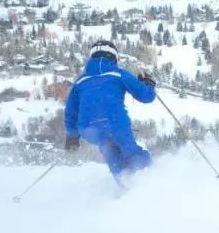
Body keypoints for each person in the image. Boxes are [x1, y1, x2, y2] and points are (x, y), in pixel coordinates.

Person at [64, 40, 158, 184]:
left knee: (112, 155)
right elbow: (146, 96)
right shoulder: (119, 74)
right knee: (131, 152)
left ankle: (126, 186)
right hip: (115, 122)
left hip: (89, 128)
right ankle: (154, 180)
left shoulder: (80, 81)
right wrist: (149, 84)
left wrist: (72, 136)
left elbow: (71, 111)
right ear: (114, 57)